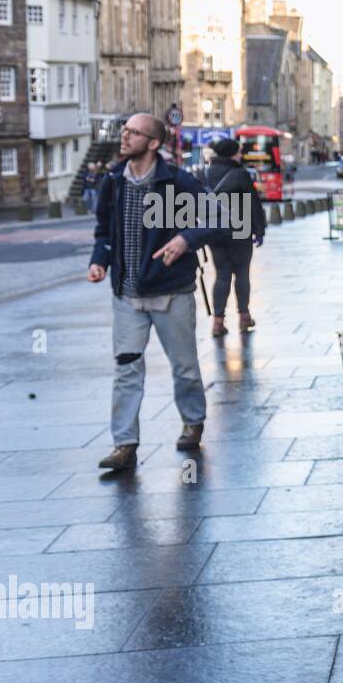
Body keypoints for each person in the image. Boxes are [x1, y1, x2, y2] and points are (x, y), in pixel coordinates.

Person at [86, 113, 232, 472]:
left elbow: (218, 217)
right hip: (126, 294)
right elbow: (103, 229)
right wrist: (99, 260)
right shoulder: (114, 181)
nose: (125, 136)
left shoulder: (178, 182)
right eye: (125, 130)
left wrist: (185, 238)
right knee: (126, 370)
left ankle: (193, 422)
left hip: (171, 292)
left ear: (153, 143)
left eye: (134, 132)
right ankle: (125, 445)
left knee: (183, 367)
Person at [203, 137, 266, 337]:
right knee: (241, 273)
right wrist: (259, 230)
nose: (240, 155)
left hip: (214, 231)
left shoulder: (205, 173)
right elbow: (253, 204)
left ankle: (217, 322)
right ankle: (244, 317)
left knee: (221, 275)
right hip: (240, 230)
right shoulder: (240, 174)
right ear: (232, 154)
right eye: (238, 152)